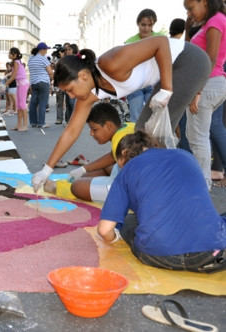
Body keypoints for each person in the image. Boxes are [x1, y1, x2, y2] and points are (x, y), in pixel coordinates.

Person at [31, 35, 211, 193]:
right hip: (173, 69)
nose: (70, 96)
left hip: (188, 61)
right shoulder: (86, 96)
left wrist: (166, 88)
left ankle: (170, 189)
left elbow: (161, 42)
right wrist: (47, 169)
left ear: (83, 76)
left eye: (70, 90)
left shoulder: (110, 63)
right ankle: (163, 187)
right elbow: (71, 132)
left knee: (146, 135)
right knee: (148, 136)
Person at [98, 131, 226, 273]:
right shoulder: (185, 155)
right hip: (209, 251)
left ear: (124, 153)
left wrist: (115, 238)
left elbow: (104, 230)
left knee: (128, 221)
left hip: (158, 254)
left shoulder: (129, 168)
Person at [45, 102, 134, 202]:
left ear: (109, 125)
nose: (91, 133)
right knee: (106, 166)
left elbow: (117, 162)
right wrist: (84, 169)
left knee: (77, 187)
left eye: (94, 129)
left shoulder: (120, 140)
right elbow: (112, 157)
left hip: (129, 189)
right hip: (133, 178)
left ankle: (58, 188)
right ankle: (80, 181)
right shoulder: (127, 126)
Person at [184, 0, 226, 189]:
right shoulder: (213, 21)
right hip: (210, 84)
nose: (190, 13)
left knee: (198, 137)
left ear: (203, 2)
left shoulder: (215, 21)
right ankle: (200, 183)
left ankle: (202, 187)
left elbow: (210, 58)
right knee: (194, 135)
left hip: (208, 85)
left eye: (191, 8)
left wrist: (198, 91)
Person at [124, 9, 163, 122]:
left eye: (150, 25)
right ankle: (135, 140)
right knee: (136, 117)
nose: (146, 28)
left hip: (153, 84)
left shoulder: (160, 39)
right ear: (138, 24)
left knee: (152, 118)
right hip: (135, 84)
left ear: (153, 24)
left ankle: (149, 140)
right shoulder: (130, 42)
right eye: (143, 25)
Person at [28, 42, 53, 129]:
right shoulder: (43, 59)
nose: (46, 52)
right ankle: (41, 123)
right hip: (43, 82)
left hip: (34, 82)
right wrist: (52, 78)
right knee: (43, 103)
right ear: (42, 50)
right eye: (46, 50)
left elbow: (31, 71)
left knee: (33, 103)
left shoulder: (30, 59)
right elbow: (50, 72)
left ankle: (33, 122)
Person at [5, 47, 29, 131]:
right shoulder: (15, 62)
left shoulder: (16, 62)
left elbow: (14, 75)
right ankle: (19, 125)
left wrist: (6, 83)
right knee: (18, 105)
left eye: (9, 53)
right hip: (19, 84)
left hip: (22, 84)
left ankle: (25, 125)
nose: (8, 54)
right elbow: (14, 74)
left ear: (14, 54)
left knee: (22, 105)